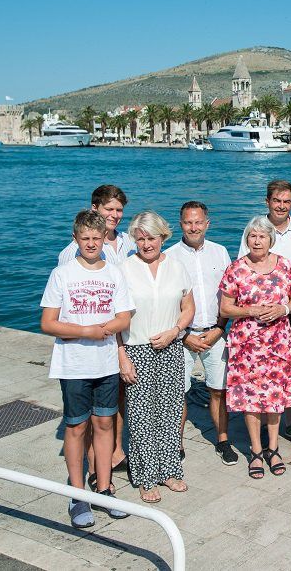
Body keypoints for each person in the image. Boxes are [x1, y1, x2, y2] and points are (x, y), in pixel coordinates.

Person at [40, 210, 134, 528]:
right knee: (77, 427)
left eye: (96, 238)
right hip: (74, 365)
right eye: (85, 238)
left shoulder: (114, 273)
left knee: (105, 424)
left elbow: (124, 317)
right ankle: (78, 493)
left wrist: (105, 328)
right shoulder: (62, 274)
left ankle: (104, 488)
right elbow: (48, 322)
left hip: (106, 363)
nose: (91, 243)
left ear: (103, 239)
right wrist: (86, 331)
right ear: (76, 238)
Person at [118, 211, 195, 503]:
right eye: (140, 238)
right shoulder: (124, 269)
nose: (146, 244)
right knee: (140, 416)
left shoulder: (176, 267)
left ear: (162, 236)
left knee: (171, 411)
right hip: (136, 348)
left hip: (171, 346)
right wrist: (122, 356)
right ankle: (146, 476)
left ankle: (170, 470)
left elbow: (189, 307)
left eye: (151, 238)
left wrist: (175, 331)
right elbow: (116, 318)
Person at [219, 216, 291, 480]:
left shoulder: (285, 266)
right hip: (247, 346)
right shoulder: (236, 269)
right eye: (252, 236)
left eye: (262, 236)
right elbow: (225, 308)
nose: (257, 241)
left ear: (270, 239)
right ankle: (256, 451)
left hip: (278, 342)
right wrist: (250, 310)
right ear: (247, 240)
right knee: (251, 399)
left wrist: (283, 309)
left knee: (276, 398)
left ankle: (274, 448)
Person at [164, 201, 236, 466]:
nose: (193, 227)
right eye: (187, 222)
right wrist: (183, 336)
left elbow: (230, 294)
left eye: (198, 222)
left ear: (207, 223)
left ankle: (223, 440)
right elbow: (166, 303)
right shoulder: (169, 256)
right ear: (180, 224)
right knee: (178, 392)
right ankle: (176, 443)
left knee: (219, 389)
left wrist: (220, 328)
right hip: (182, 336)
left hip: (215, 332)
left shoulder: (220, 253)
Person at [58, 185, 135, 265]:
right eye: (109, 209)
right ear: (94, 208)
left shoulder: (130, 241)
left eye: (119, 210)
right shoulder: (74, 250)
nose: (115, 215)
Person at [236, 179, 291, 260]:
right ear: (267, 202)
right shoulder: (254, 228)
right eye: (277, 201)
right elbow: (243, 261)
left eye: (286, 202)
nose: (281, 206)